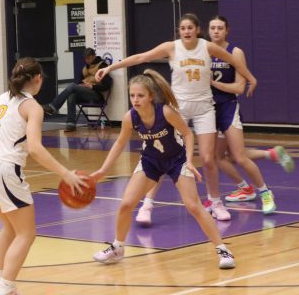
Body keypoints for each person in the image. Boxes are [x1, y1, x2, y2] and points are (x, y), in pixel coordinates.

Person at [96, 13, 257, 222]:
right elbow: (140, 57)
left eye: (190, 27)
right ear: (179, 32)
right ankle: (147, 204)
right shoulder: (171, 47)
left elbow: (235, 61)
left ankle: (215, 202)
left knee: (208, 159)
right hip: (178, 106)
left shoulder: (207, 47)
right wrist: (110, 67)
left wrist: (251, 78)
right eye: (183, 28)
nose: (187, 31)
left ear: (197, 30)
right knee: (161, 155)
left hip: (204, 107)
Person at [134, 17, 293, 226]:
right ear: (207, 31)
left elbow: (238, 87)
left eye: (220, 28)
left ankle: (264, 192)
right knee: (215, 158)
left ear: (227, 30)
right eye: (213, 28)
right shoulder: (200, 49)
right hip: (205, 107)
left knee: (236, 155)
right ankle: (245, 182)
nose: (216, 31)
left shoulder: (232, 52)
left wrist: (218, 82)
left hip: (224, 107)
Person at [90, 69, 236, 269]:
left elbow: (188, 133)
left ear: (150, 96)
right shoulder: (130, 117)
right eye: (132, 95)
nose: (135, 99)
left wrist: (189, 160)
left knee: (194, 206)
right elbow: (119, 144)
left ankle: (223, 250)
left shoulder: (166, 112)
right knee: (126, 204)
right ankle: (117, 247)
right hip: (151, 161)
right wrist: (103, 170)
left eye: (140, 95)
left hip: (177, 160)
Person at [0, 57, 87, 295]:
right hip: (4, 170)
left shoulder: (2, 98)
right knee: (27, 233)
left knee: (9, 228)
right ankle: (6, 287)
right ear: (38, 79)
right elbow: (35, 149)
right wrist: (66, 174)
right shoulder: (33, 106)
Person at [43, 47, 113, 132]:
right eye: (85, 58)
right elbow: (80, 82)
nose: (87, 60)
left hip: (96, 94)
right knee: (71, 95)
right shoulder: (85, 68)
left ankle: (53, 107)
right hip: (85, 93)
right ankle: (71, 124)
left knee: (72, 86)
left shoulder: (102, 66)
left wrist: (92, 86)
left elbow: (107, 86)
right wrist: (82, 85)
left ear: (93, 56)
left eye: (89, 58)